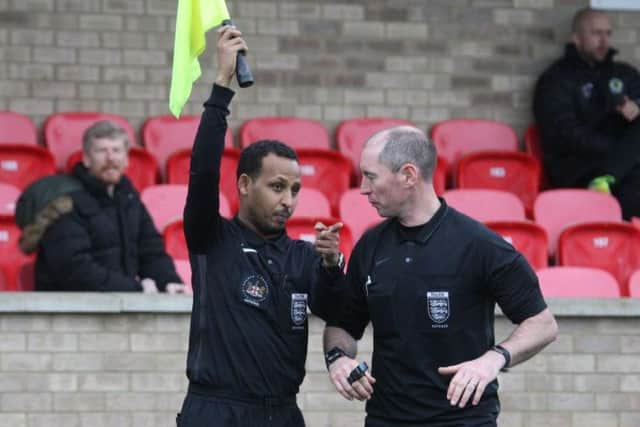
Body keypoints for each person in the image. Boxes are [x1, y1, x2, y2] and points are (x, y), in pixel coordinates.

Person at [323, 127, 558, 427]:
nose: (364, 189)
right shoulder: (370, 246)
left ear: (408, 175)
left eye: (371, 176)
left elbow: (543, 324)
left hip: (464, 420)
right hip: (386, 418)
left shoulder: (480, 245)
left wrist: (494, 358)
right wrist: (338, 358)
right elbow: (343, 324)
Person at [176, 26, 346, 427]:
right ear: (245, 185)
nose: (288, 200)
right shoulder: (211, 238)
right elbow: (202, 171)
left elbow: (340, 314)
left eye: (295, 189)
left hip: (284, 413)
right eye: (277, 187)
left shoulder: (304, 257)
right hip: (216, 412)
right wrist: (221, 85)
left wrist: (331, 267)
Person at [33, 120, 186, 293]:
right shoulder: (64, 199)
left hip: (116, 304)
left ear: (126, 159)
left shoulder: (129, 198)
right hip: (67, 310)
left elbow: (151, 251)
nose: (110, 158)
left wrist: (168, 281)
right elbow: (74, 269)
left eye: (116, 150)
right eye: (101, 150)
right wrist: (133, 288)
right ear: (86, 159)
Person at [533, 7, 640, 219]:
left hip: (622, 165)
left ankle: (607, 177)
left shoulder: (624, 74)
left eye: (607, 33)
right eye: (596, 33)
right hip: (578, 167)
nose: (603, 40)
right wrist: (616, 149)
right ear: (576, 38)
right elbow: (562, 132)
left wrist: (636, 108)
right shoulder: (556, 79)